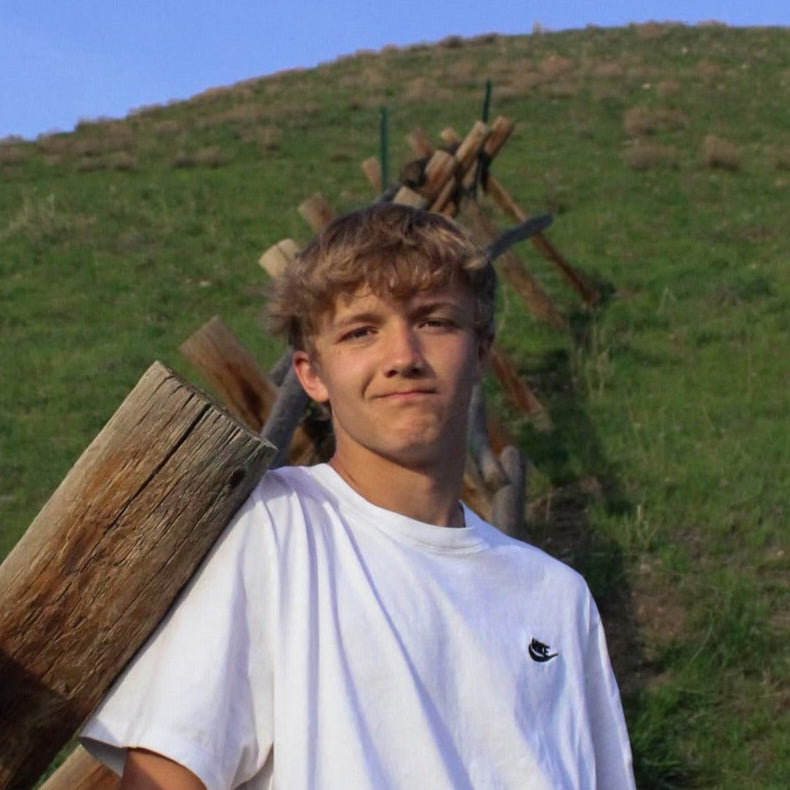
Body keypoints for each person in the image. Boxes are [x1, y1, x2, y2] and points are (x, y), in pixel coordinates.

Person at [81, 203, 635, 789]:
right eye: (361, 331)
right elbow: (169, 772)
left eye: (434, 321)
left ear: (480, 350)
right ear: (311, 374)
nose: (402, 358)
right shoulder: (271, 531)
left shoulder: (556, 596)